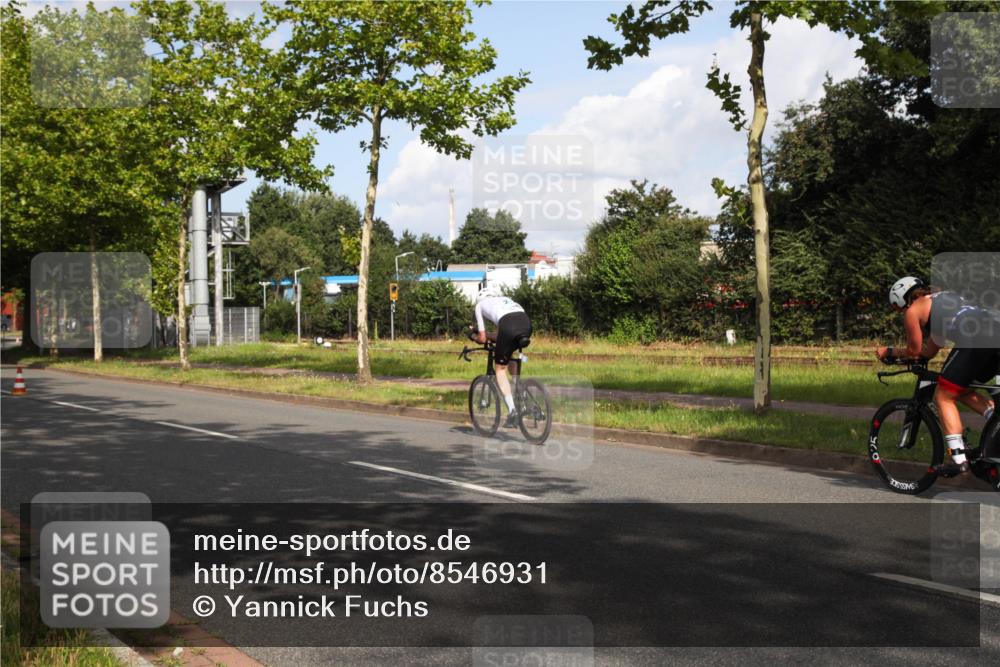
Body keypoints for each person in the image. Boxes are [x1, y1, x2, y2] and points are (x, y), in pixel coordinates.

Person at [876, 276, 999, 476]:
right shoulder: (943, 299)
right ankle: (995, 419)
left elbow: (914, 351)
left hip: (975, 339)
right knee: (961, 389)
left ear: (901, 301)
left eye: (899, 310)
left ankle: (958, 459)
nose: (903, 314)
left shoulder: (913, 310)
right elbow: (929, 352)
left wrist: (889, 351)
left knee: (943, 395)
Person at [473, 285, 532, 427]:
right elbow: (500, 335)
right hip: (526, 324)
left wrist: (474, 336)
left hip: (508, 326)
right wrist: (489, 336)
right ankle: (521, 396)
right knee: (509, 355)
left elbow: (482, 338)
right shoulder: (505, 300)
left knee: (500, 369)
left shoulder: (480, 305)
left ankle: (513, 412)